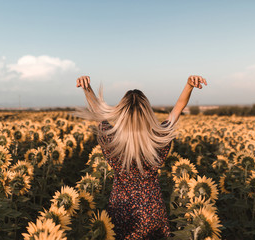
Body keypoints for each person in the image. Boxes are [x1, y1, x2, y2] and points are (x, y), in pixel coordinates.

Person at [75, 75, 207, 239]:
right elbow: (179, 107)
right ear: (148, 112)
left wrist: (87, 89)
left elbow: (97, 111)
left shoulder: (110, 139)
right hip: (152, 210)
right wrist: (189, 85)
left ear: (121, 113)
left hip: (121, 209)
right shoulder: (159, 138)